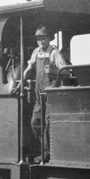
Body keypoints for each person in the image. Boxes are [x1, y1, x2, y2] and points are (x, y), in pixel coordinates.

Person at [19, 26, 67, 164]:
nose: (40, 41)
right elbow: (28, 69)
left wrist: (53, 72)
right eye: (38, 39)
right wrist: (19, 84)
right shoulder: (36, 52)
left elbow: (65, 72)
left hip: (51, 94)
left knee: (48, 123)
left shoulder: (54, 53)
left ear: (48, 39)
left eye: (43, 38)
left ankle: (47, 154)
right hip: (39, 94)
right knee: (36, 122)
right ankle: (44, 150)